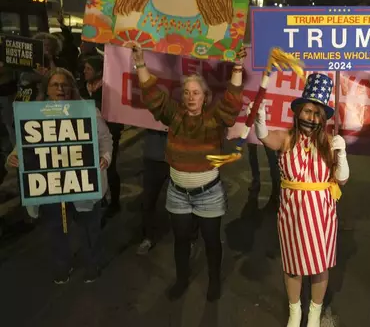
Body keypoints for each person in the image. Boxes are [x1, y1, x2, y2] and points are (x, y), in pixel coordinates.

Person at [132, 45, 243, 302]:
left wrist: (237, 67)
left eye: (196, 93)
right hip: (178, 194)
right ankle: (182, 279)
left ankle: (214, 281)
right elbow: (153, 96)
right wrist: (140, 63)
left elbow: (231, 102)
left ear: (205, 97)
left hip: (209, 195)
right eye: (186, 92)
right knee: (181, 240)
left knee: (211, 240)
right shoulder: (174, 115)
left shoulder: (215, 118)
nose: (191, 97)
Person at [251, 73, 349, 327]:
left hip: (322, 216)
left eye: (317, 114)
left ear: (323, 118)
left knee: (319, 267)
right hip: (292, 214)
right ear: (298, 112)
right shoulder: (287, 138)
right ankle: (295, 311)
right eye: (307, 111)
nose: (311, 118)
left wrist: (343, 155)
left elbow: (343, 179)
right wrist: (259, 121)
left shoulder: (329, 143)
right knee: (293, 266)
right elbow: (266, 138)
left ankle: (314, 312)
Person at [6, 67, 112, 283]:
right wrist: (14, 156)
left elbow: (105, 139)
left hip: (83, 183)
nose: (60, 88)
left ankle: (92, 264)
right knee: (56, 230)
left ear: (72, 87)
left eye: (65, 84)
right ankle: (62, 267)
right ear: (47, 89)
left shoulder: (88, 110)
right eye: (55, 84)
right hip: (50, 185)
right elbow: (25, 144)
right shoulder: (34, 113)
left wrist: (106, 157)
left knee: (89, 228)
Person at [79, 56, 124, 217]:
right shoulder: (82, 87)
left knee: (109, 168)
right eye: (85, 68)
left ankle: (114, 202)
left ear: (99, 71)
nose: (85, 71)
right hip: (87, 134)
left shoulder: (108, 89)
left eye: (89, 69)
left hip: (108, 133)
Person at [247, 143, 280, 208]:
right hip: (252, 133)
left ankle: (275, 181)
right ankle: (274, 182)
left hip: (263, 133)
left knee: (270, 153)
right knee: (253, 152)